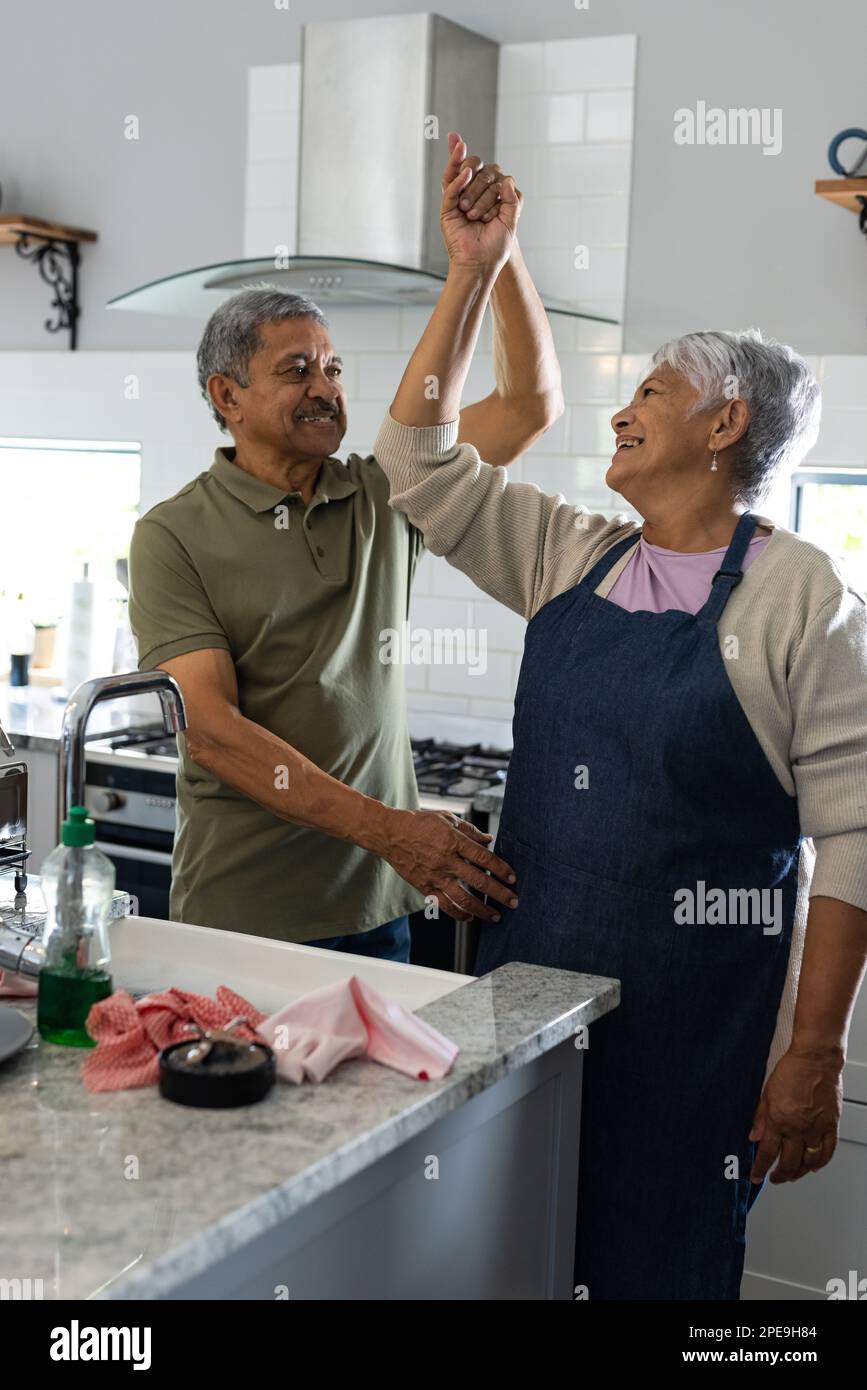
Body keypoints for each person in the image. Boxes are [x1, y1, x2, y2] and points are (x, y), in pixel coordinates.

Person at [371, 135, 867, 1297]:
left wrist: (813, 1047)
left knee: (660, 1272)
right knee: (503, 1260)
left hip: (696, 1038)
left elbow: (855, 831)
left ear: (724, 424)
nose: (622, 411)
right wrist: (473, 272)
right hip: (526, 1005)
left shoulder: (803, 592)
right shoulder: (570, 554)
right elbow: (412, 459)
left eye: (651, 390)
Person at [127, 136, 562, 961]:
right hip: (243, 915)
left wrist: (499, 260)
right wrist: (393, 832)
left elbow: (529, 403)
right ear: (228, 396)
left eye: (332, 367)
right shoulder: (173, 534)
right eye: (297, 370)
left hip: (377, 910)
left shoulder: (382, 490)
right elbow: (211, 730)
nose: (327, 388)